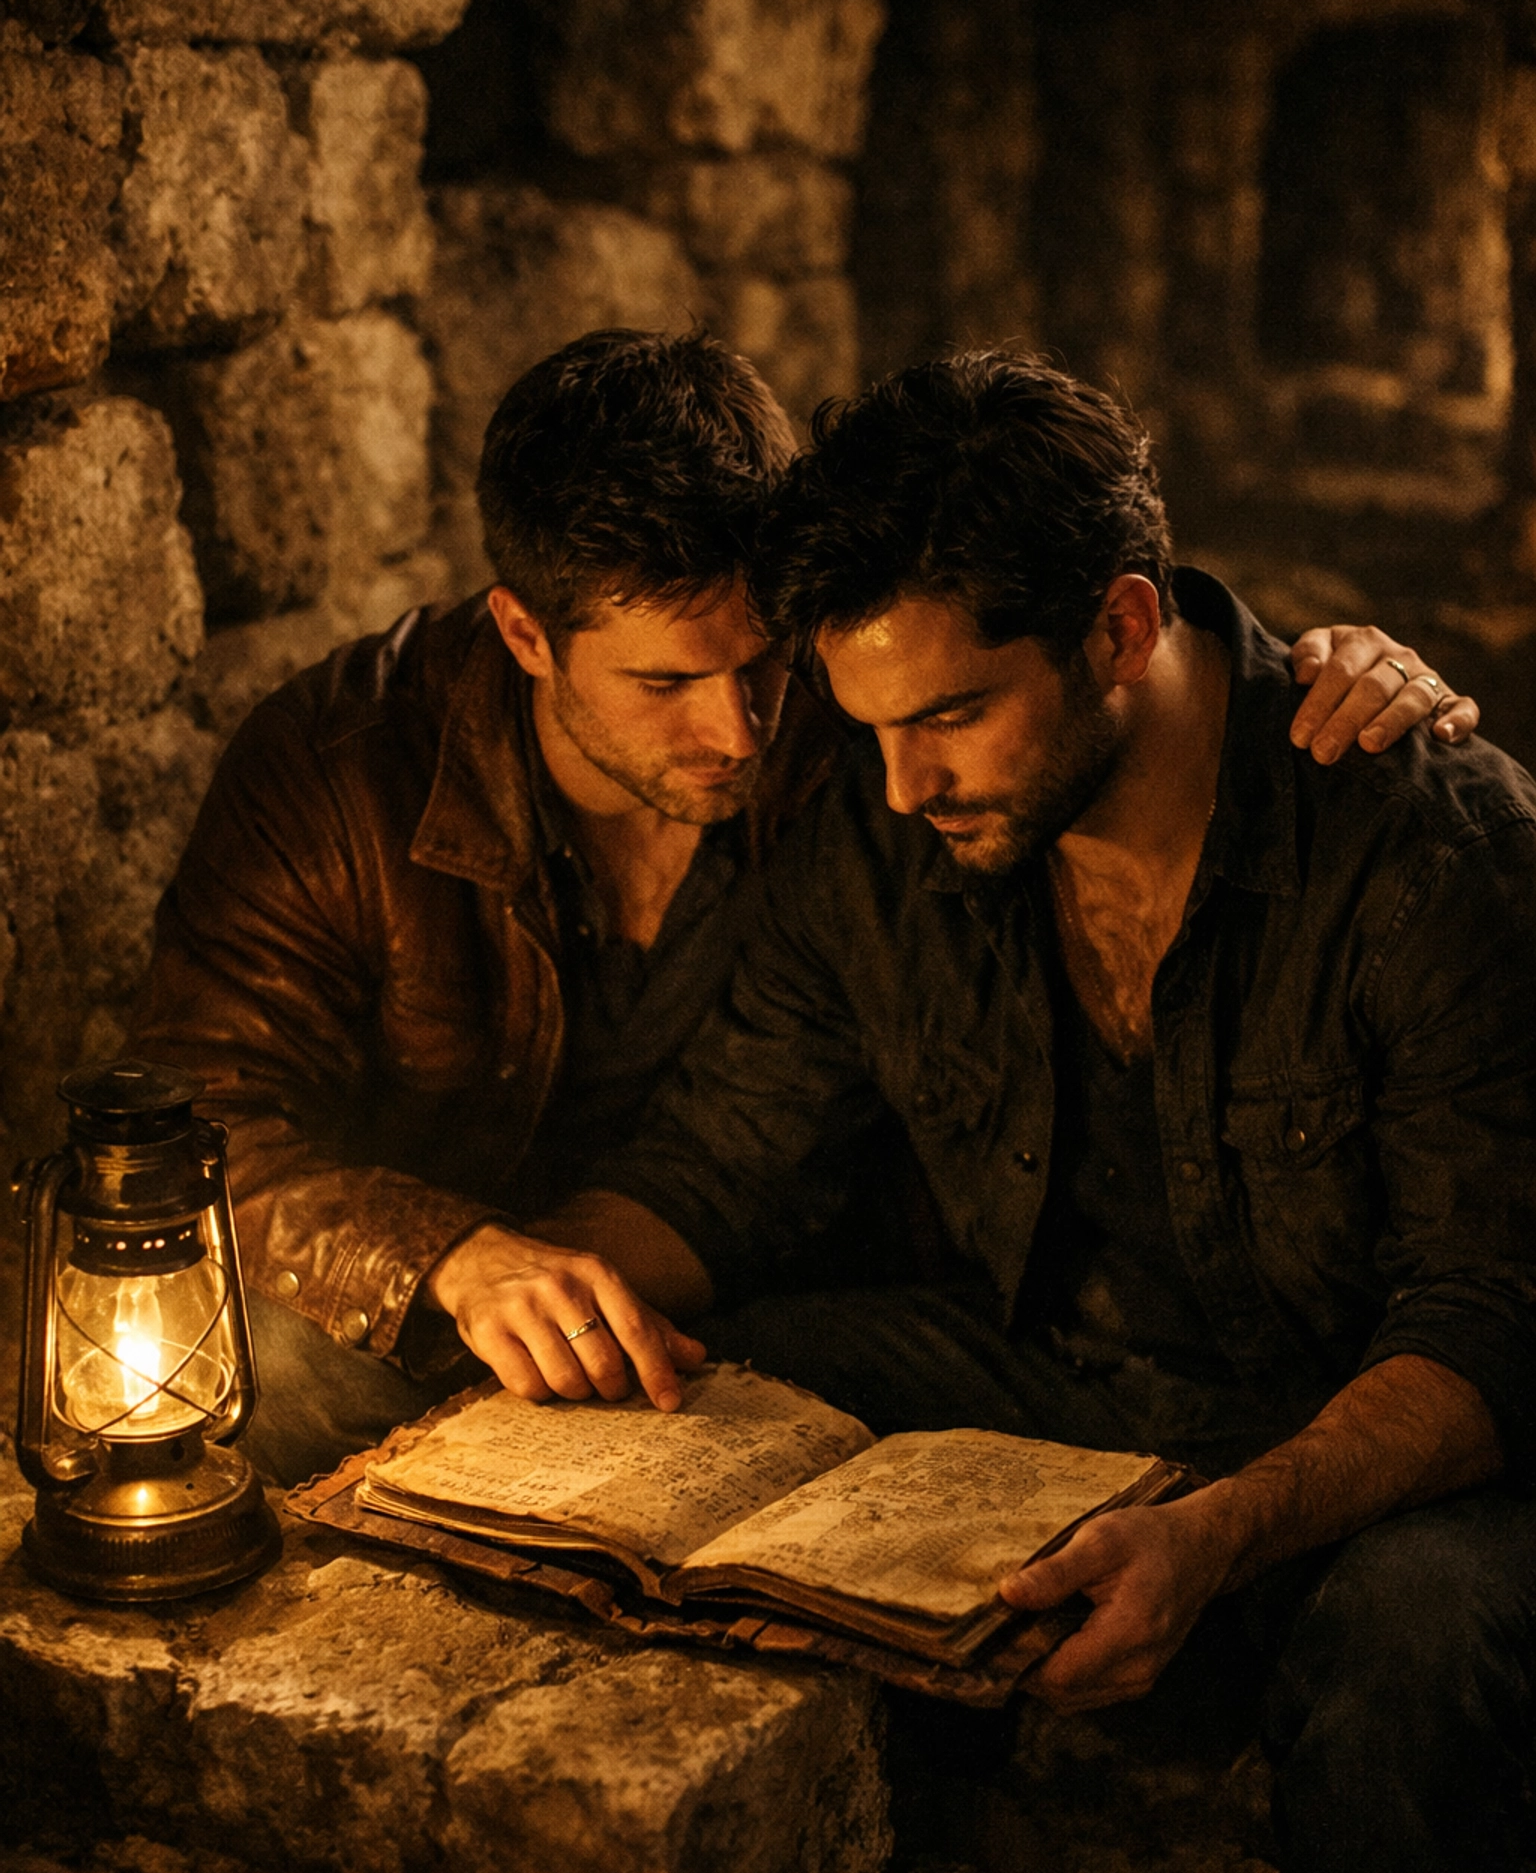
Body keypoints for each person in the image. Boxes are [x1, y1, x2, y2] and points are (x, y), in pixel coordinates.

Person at [510, 355, 1535, 1873]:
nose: (904, 787)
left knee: (1420, 1641)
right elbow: (732, 1149)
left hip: (1379, 1442)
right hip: (1075, 1381)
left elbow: (1494, 1316)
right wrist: (521, 1284)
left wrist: (1219, 1537)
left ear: (1120, 630)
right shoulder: (885, 822)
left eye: (954, 718)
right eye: (872, 723)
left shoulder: (1417, 843)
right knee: (690, 1398)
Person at [133, 329, 1466, 1491]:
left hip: (791, 1263)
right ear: (526, 638)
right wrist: (446, 1257)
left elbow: (1045, 624)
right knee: (281, 1381)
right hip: (470, 1271)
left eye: (769, 658)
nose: (740, 727)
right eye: (665, 684)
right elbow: (180, 1132)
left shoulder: (855, 722)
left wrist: (1305, 663)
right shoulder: (344, 769)